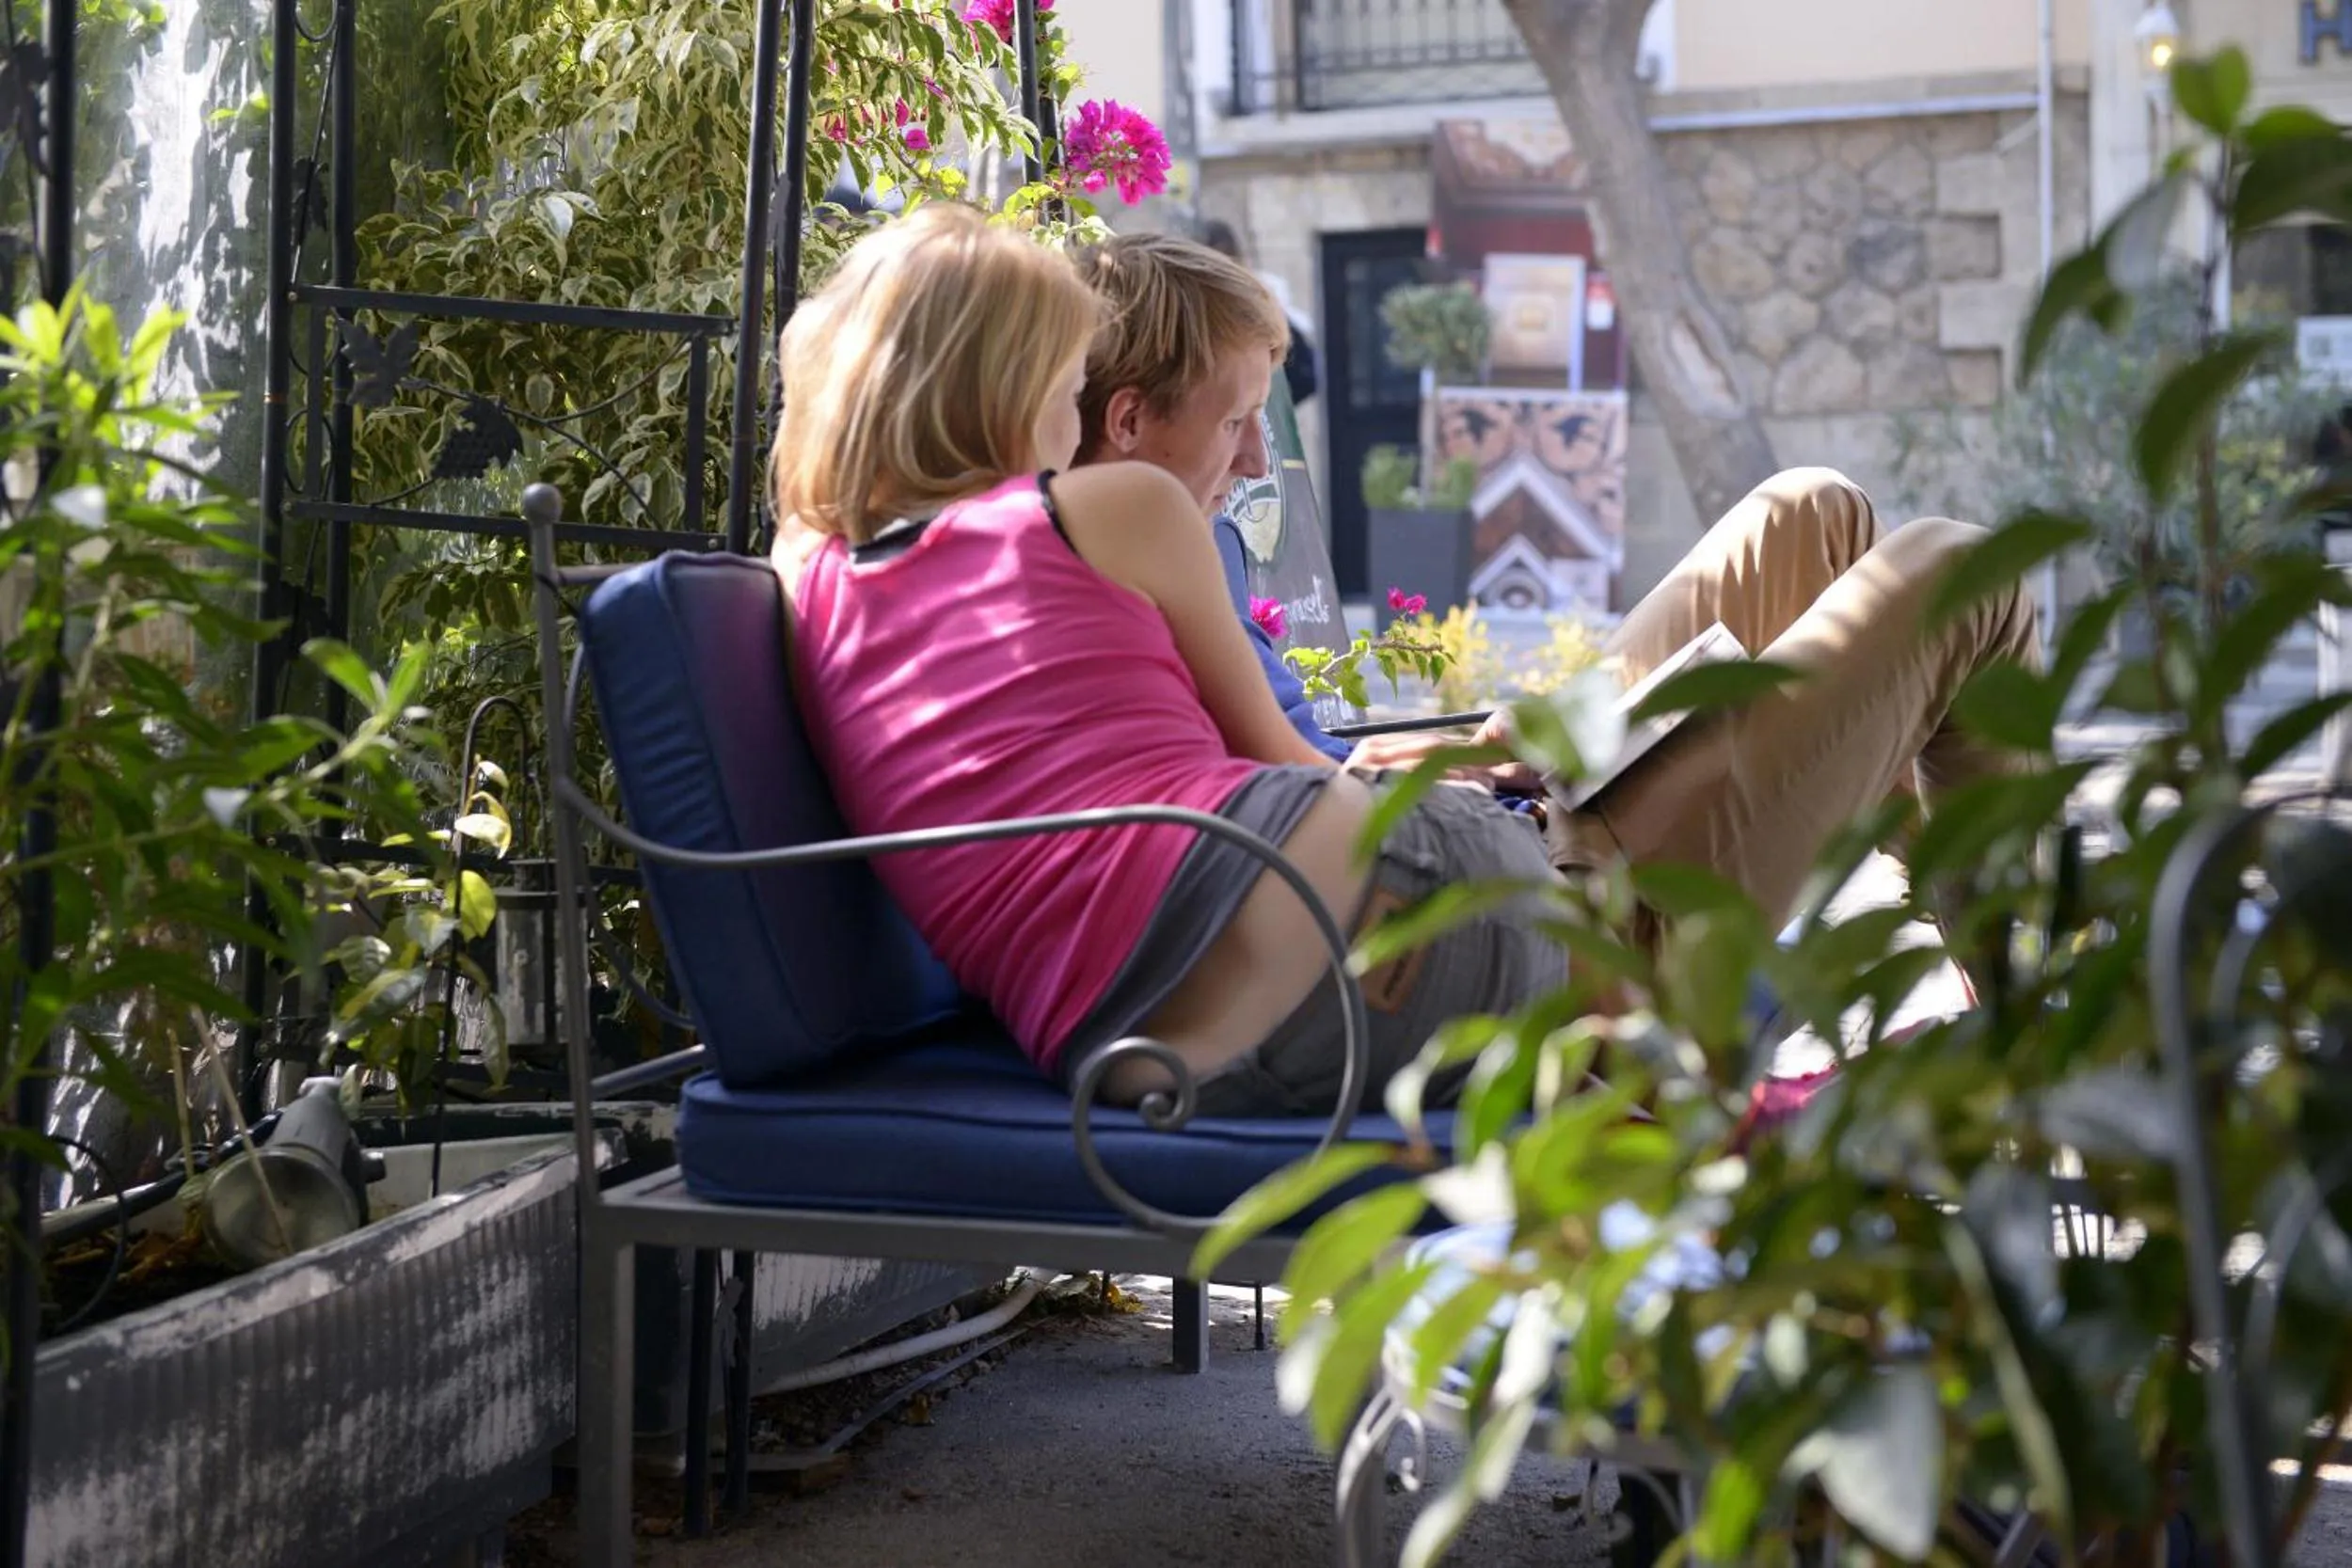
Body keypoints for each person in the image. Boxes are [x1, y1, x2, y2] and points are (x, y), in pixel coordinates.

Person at [770, 204, 1565, 1118]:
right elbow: (1284, 762)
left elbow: (814, 421)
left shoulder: (810, 582)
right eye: (1067, 394)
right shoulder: (1122, 507)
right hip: (1381, 937)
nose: (1072, 427)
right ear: (1002, 396)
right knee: (1533, 850)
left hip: (1141, 1058)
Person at [1059, 230, 2043, 957]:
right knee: (1963, 575)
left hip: (1485, 814)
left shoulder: (1188, 542)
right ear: (1130, 420)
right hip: (1534, 888)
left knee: (1811, 512)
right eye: (1236, 418)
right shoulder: (1106, 574)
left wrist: (1463, 753)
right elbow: (1270, 813)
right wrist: (1463, 772)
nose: (1258, 454)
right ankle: (2024, 1010)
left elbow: (1290, 764)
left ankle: (1960, 930)